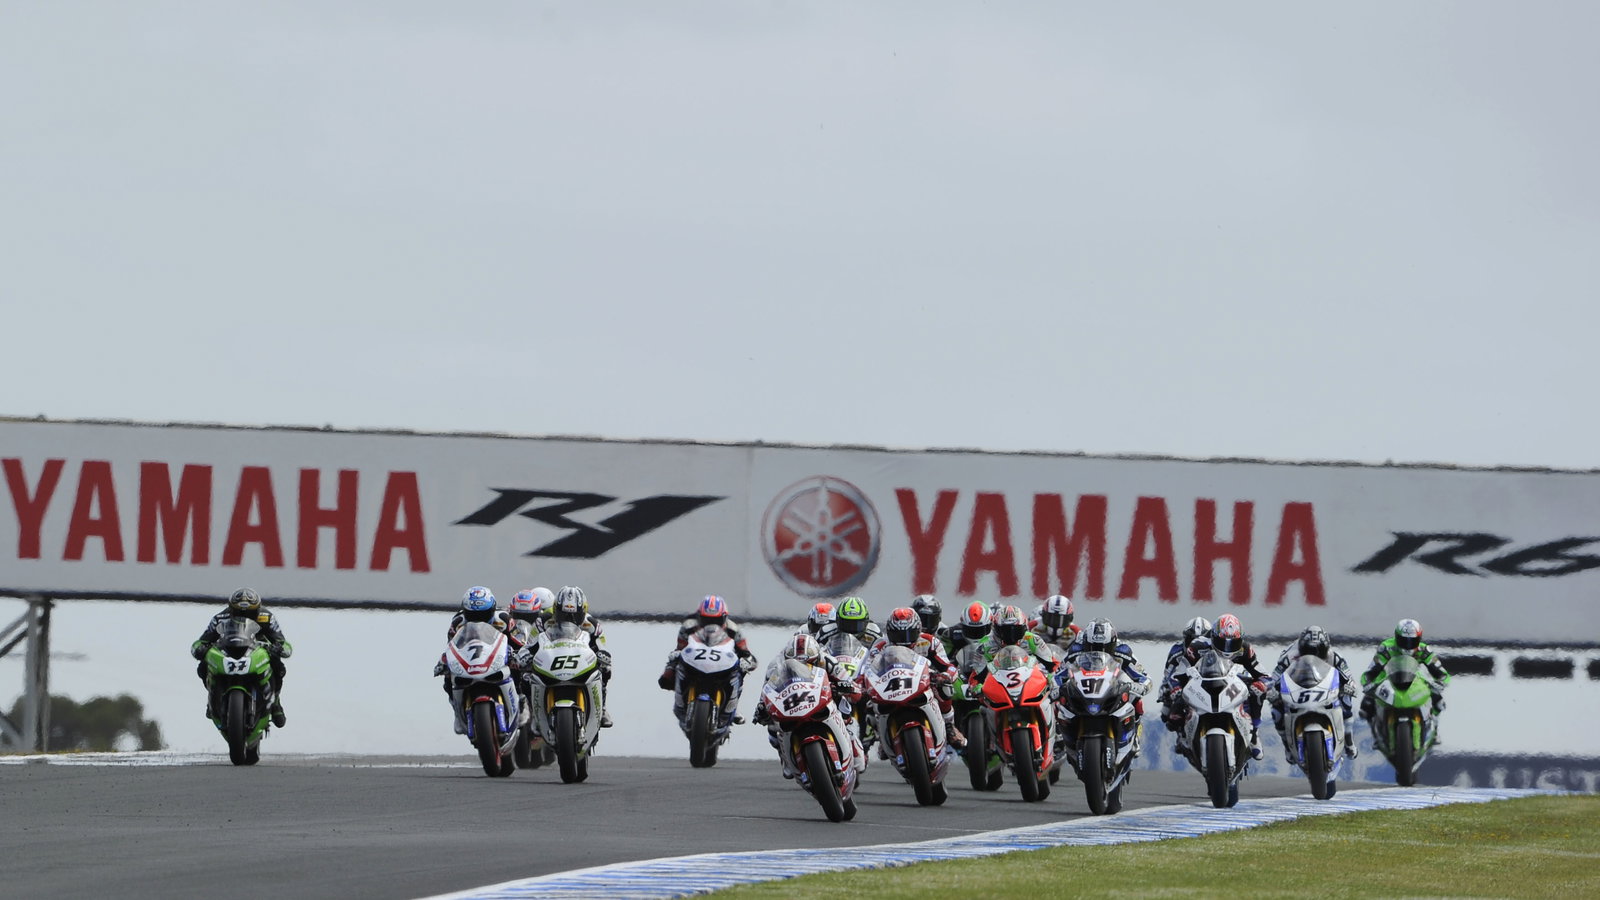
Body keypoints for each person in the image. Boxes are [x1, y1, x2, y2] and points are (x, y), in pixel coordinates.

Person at [753, 633, 866, 777]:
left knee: (845, 712)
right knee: (774, 727)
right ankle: (786, 758)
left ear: (817, 657)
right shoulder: (775, 666)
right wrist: (761, 707)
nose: (805, 667)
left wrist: (848, 687)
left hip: (823, 699)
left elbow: (851, 685)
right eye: (797, 664)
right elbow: (766, 691)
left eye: (810, 663)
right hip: (794, 702)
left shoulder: (827, 660)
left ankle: (853, 747)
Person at [860, 607, 965, 748]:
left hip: (924, 681)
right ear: (890, 633)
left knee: (945, 688)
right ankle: (882, 733)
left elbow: (949, 666)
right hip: (891, 684)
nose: (904, 640)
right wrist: (863, 685)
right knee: (869, 703)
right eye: (898, 635)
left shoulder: (929, 641)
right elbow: (867, 670)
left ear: (918, 630)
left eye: (909, 634)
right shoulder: (880, 645)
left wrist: (945, 676)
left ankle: (949, 726)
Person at [433, 586, 528, 734]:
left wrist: (517, 655)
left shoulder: (503, 619)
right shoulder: (458, 622)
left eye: (483, 614)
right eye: (473, 614)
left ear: (492, 609)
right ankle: (458, 713)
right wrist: (444, 662)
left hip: (497, 658)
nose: (478, 618)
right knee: (448, 676)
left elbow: (519, 642)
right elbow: (451, 646)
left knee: (519, 668)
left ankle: (520, 700)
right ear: (465, 611)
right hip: (471, 660)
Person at [191, 588, 292, 728]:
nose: (245, 617)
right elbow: (201, 641)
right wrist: (200, 649)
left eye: (250, 613)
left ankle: (275, 702)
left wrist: (280, 649)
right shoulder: (220, 618)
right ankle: (212, 697)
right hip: (229, 650)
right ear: (231, 610)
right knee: (203, 666)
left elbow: (283, 643)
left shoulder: (266, 617)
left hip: (256, 652)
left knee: (278, 667)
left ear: (257, 610)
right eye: (239, 613)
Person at [658, 595, 757, 726]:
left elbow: (746, 654)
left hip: (722, 664)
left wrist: (746, 661)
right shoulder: (688, 627)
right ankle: (680, 704)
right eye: (706, 619)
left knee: (740, 671)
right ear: (699, 617)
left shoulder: (733, 629)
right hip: (695, 661)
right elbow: (680, 648)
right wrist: (672, 664)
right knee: (673, 666)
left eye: (715, 620)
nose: (711, 624)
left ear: (724, 617)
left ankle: (732, 709)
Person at [1268, 625, 1358, 759]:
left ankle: (1348, 739)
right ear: (1301, 647)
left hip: (1324, 688)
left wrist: (1350, 686)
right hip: (1298, 688)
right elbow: (1274, 677)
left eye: (1318, 650)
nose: (1314, 654)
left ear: (1326, 647)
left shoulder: (1334, 655)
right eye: (1308, 650)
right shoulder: (1289, 655)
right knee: (1276, 709)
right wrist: (1271, 690)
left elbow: (1348, 677)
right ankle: (1287, 745)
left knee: (1346, 699)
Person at [1359, 618, 1451, 743]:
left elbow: (1442, 673)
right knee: (1366, 707)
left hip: (1415, 681)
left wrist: (1440, 682)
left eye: (1412, 641)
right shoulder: (1386, 648)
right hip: (1390, 680)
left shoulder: (1424, 651)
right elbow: (1371, 671)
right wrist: (1368, 683)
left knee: (1439, 702)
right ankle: (1376, 733)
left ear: (1419, 639)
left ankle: (1434, 730)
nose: (1408, 645)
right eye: (1404, 640)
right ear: (1396, 637)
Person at [536, 586, 615, 728]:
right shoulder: (543, 621)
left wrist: (604, 655)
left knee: (605, 668)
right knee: (527, 675)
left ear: (583, 611)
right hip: (552, 658)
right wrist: (524, 654)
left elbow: (602, 645)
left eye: (574, 615)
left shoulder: (592, 623)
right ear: (555, 609)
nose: (570, 619)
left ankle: (602, 708)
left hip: (580, 660)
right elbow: (532, 643)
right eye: (564, 614)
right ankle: (531, 710)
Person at [1061, 618, 1151, 720]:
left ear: (1113, 643)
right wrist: (1056, 688)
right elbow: (1059, 675)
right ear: (1085, 642)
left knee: (1134, 695)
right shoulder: (1076, 649)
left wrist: (1136, 687)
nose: (1098, 653)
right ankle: (1061, 727)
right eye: (1093, 647)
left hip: (1113, 688)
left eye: (1105, 648)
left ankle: (1134, 723)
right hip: (1082, 689)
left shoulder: (1123, 651)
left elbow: (1145, 678)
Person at [1157, 616, 1212, 732]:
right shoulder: (1176, 650)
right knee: (1170, 716)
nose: (1197, 643)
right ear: (1185, 638)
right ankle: (1183, 733)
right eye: (1192, 639)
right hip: (1185, 685)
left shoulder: (1215, 649)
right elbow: (1169, 673)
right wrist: (1175, 688)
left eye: (1201, 639)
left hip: (1210, 684)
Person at [815, 596, 882, 646]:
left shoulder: (875, 635)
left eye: (856, 624)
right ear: (838, 620)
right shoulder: (825, 633)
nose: (851, 629)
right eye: (847, 624)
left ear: (866, 621)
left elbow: (883, 658)